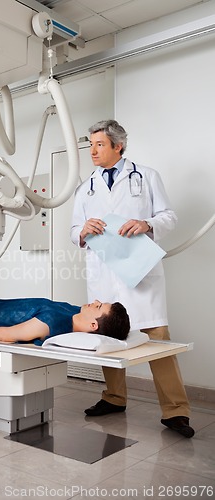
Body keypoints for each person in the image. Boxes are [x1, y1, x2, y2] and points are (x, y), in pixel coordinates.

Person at [71, 119, 194, 438]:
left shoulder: (147, 176)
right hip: (104, 275)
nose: (93, 151)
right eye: (90, 144)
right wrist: (82, 231)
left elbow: (169, 216)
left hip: (140, 273)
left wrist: (147, 224)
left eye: (99, 144)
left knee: (158, 339)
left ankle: (175, 411)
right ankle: (113, 397)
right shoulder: (86, 187)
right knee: (107, 340)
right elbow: (74, 230)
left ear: (118, 146)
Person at [0, 298, 130, 344]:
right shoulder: (74, 311)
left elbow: (7, 334)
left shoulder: (52, 322)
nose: (95, 302)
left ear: (93, 326)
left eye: (98, 307)